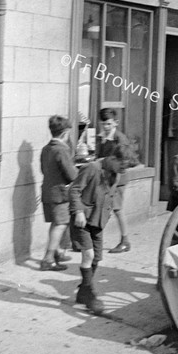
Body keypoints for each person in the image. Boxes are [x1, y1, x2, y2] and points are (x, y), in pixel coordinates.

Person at [70, 144, 133, 314]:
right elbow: (75, 190)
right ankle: (89, 293)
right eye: (121, 165)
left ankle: (83, 291)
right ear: (112, 158)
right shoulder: (91, 168)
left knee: (96, 258)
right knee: (88, 254)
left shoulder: (115, 175)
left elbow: (110, 197)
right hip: (82, 220)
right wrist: (78, 212)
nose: (122, 170)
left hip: (98, 222)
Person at [39, 116, 78, 271]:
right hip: (60, 194)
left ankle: (57, 253)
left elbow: (43, 170)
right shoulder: (61, 150)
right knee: (61, 225)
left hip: (47, 191)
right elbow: (72, 175)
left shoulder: (46, 148)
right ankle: (48, 259)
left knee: (56, 224)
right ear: (66, 132)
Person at [95, 108, 133, 253]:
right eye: (103, 124)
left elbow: (124, 161)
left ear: (115, 123)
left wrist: (103, 161)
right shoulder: (102, 137)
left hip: (118, 178)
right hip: (107, 177)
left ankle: (125, 241)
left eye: (109, 124)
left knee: (117, 209)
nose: (106, 127)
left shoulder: (120, 139)